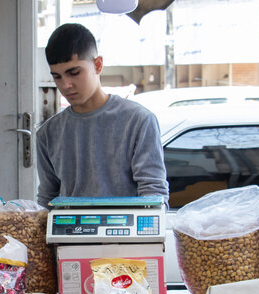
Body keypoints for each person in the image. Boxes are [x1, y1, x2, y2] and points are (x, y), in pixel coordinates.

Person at [36, 23, 169, 207]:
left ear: (98, 65)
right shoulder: (47, 134)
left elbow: (154, 197)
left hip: (126, 234)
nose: (66, 85)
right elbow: (46, 201)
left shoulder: (138, 121)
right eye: (57, 77)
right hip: (69, 234)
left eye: (74, 73)